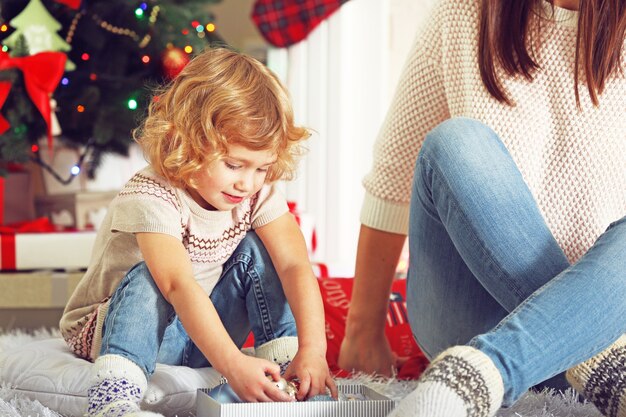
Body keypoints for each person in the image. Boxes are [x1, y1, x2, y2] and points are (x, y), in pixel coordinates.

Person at [337, 0, 626, 416]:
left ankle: (474, 377)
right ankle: (599, 363)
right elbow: (393, 177)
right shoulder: (461, 13)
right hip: (471, 318)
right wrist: (362, 329)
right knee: (455, 143)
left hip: (604, 316)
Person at [60, 47, 337, 417]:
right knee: (151, 277)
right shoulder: (151, 194)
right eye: (234, 164)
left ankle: (288, 376)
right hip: (120, 330)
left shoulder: (255, 190)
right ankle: (112, 400)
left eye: (262, 168)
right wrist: (234, 365)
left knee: (261, 249)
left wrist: (313, 350)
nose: (247, 183)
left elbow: (294, 266)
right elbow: (177, 286)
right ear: (186, 141)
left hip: (198, 330)